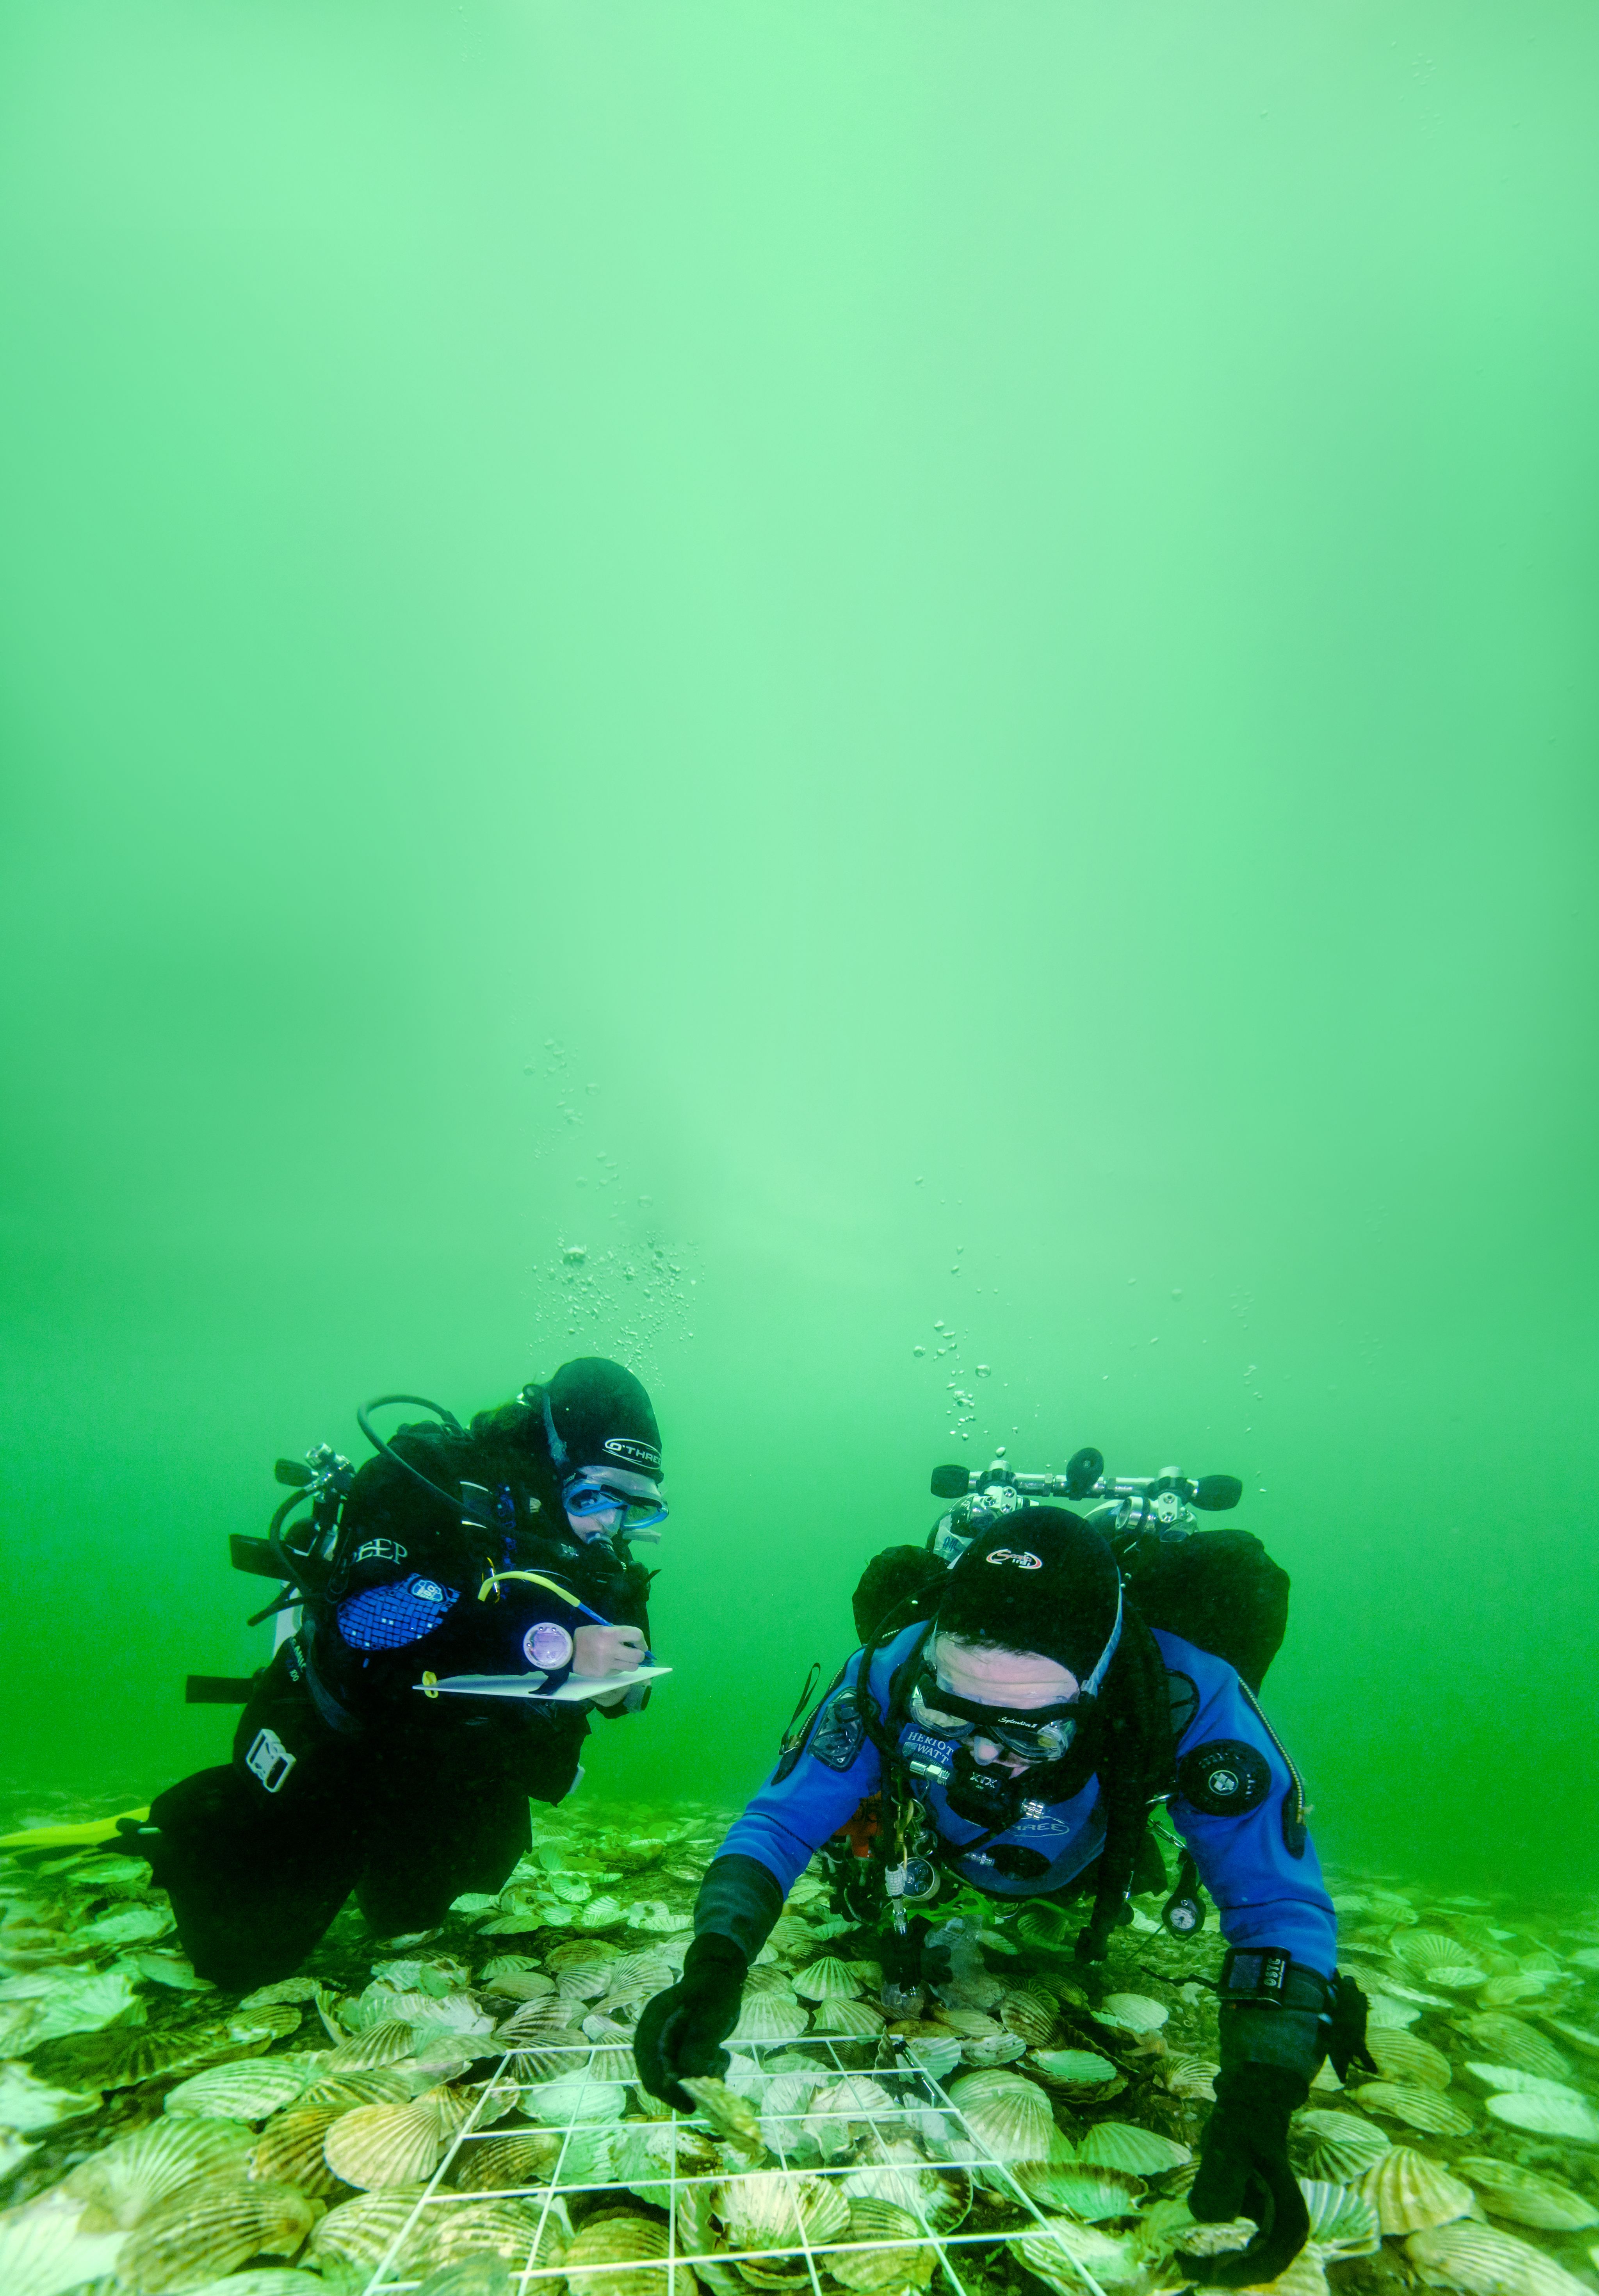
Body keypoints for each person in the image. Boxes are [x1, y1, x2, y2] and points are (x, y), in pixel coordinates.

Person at [635, 1509, 1366, 2288]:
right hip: (932, 1841)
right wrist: (715, 1960)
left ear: (1096, 1688)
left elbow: (1276, 1907)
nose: (980, 1755)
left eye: (1026, 1733)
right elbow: (778, 1823)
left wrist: (1262, 2094)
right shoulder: (888, 1669)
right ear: (929, 1661)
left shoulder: (1188, 1699)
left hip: (1083, 1851)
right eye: (947, 1713)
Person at [132, 1356, 667, 1991]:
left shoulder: (599, 1551)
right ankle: (197, 1830)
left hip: (463, 1770)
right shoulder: (423, 1478)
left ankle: (388, 1863)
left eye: (636, 1505)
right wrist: (550, 1648)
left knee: (425, 1924)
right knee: (240, 1960)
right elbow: (367, 1626)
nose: (611, 1522)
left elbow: (622, 1675)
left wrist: (625, 1687)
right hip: (347, 1753)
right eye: (596, 1492)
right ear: (556, 1458)